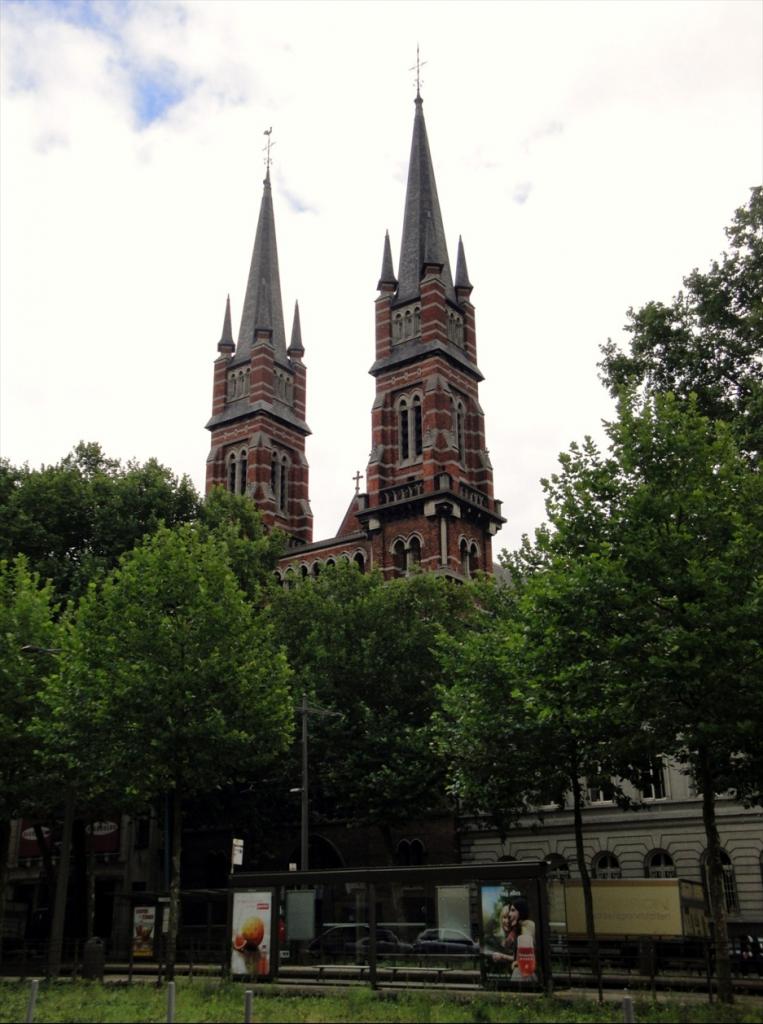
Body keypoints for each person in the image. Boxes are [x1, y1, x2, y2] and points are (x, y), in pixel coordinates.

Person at [491, 898, 536, 977]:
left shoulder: (527, 925)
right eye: (504, 917)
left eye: (513, 910)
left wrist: (517, 963)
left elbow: (525, 955)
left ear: (521, 911)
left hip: (522, 973)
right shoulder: (518, 929)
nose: (509, 915)